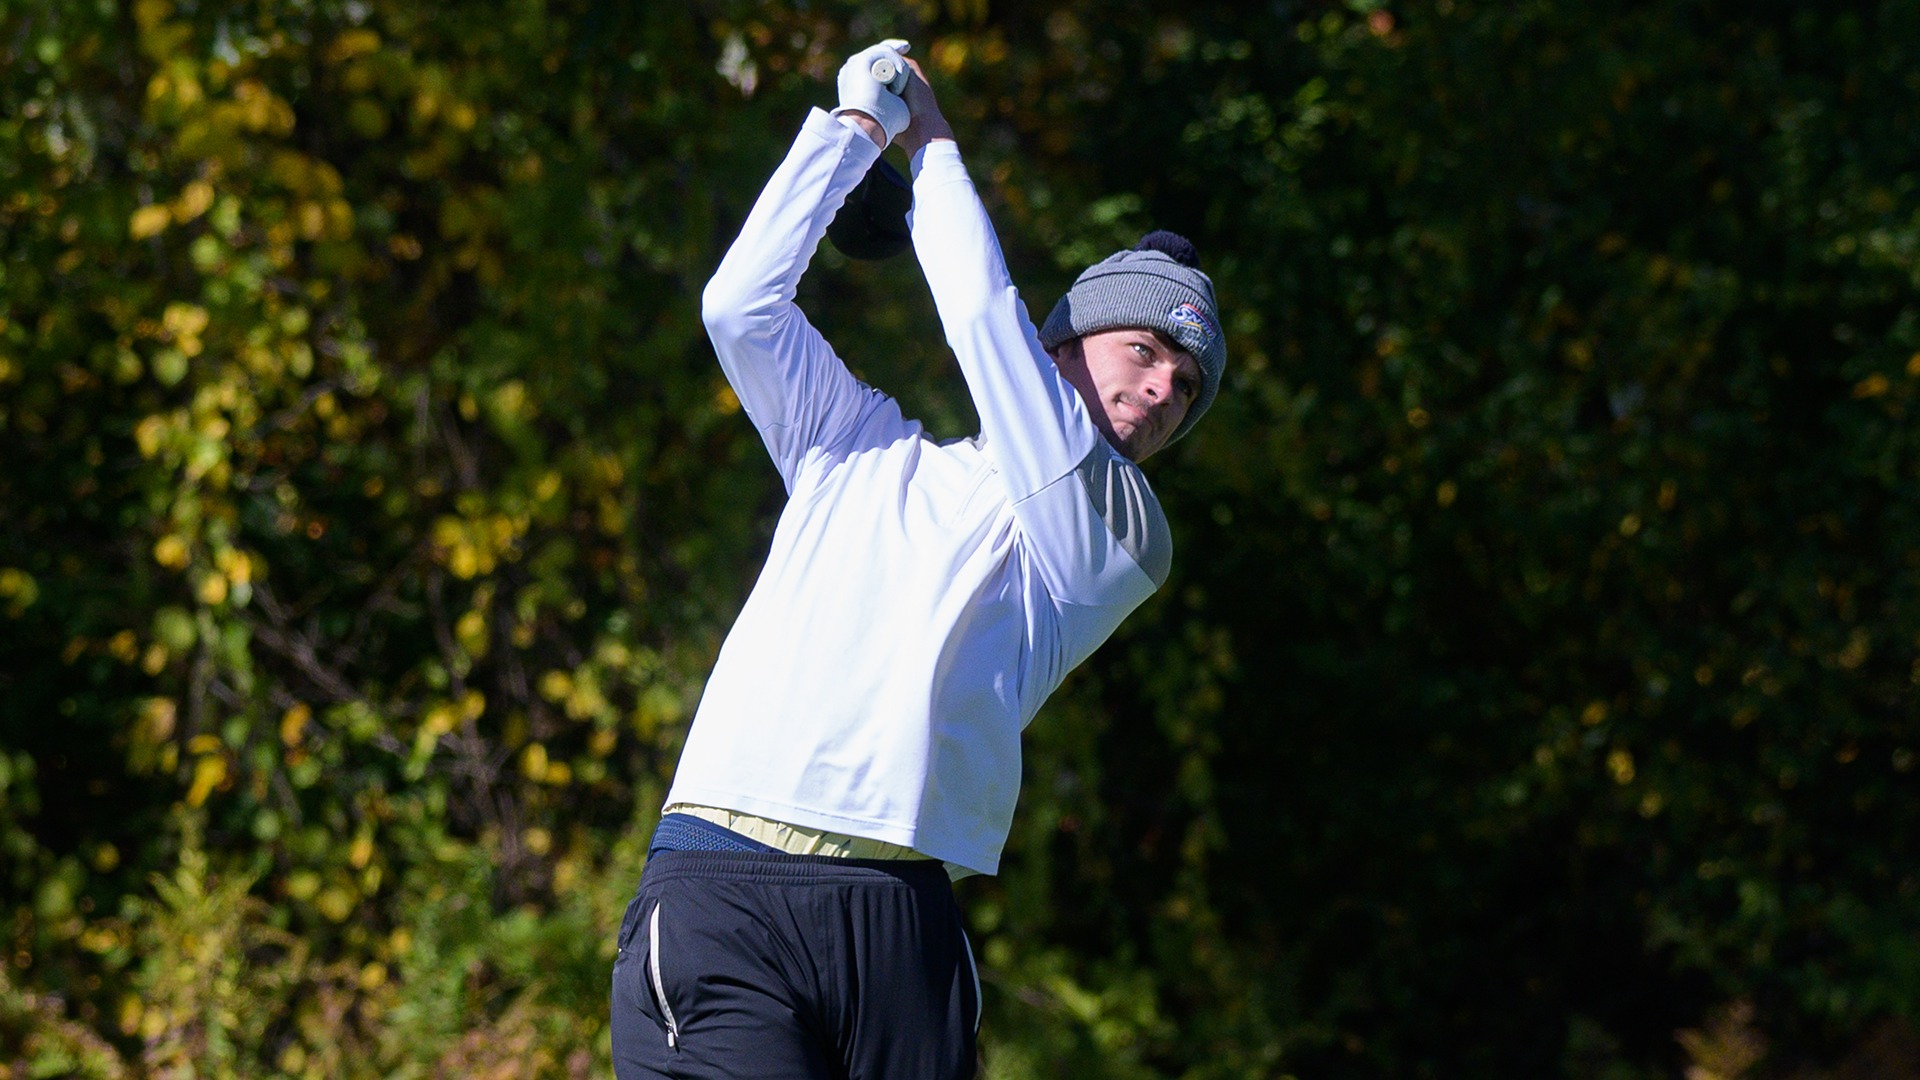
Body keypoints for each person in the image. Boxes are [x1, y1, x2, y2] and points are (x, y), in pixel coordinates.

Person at [610, 38, 1226, 1080]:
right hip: (723, 892)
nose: (1165, 391)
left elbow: (983, 322)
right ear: (1068, 341)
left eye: (1188, 387)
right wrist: (852, 134)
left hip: (898, 925)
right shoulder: (857, 445)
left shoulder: (1123, 536)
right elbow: (739, 306)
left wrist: (928, 134)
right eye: (1147, 352)